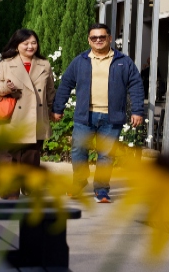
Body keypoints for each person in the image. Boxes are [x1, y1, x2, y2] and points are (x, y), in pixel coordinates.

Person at [52, 23, 144, 203]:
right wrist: (58, 108)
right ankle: (79, 182)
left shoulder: (123, 61)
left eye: (102, 37)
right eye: (94, 38)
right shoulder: (80, 61)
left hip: (112, 117)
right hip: (85, 116)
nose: (98, 40)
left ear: (109, 38)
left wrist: (137, 110)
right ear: (89, 40)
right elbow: (65, 84)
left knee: (106, 155)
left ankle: (101, 189)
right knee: (78, 151)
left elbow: (136, 85)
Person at [0, 28, 56, 199]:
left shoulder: (44, 64)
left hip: (36, 117)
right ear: (17, 46)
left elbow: (50, 91)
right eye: (26, 43)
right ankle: (10, 192)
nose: (30, 46)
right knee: (7, 158)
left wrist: (52, 110)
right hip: (9, 117)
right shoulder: (5, 64)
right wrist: (6, 88)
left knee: (31, 156)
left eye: (33, 42)